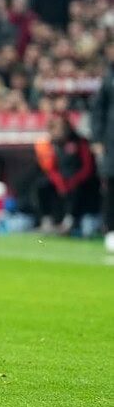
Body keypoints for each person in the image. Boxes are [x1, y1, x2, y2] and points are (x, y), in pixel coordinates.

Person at [34, 114, 100, 235]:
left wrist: (73, 181)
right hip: (59, 180)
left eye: (61, 128)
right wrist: (60, 183)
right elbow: (49, 168)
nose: (58, 132)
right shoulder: (49, 145)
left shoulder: (80, 143)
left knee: (79, 189)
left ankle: (70, 221)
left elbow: (87, 167)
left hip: (78, 179)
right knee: (42, 185)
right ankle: (47, 220)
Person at [92, 42, 114, 252]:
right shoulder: (109, 78)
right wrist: (97, 139)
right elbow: (98, 111)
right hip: (112, 140)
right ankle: (110, 229)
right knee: (111, 184)